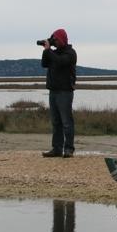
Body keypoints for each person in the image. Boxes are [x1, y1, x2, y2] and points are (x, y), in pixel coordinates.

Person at [41, 28, 77, 158]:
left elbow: (60, 61)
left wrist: (49, 50)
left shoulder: (71, 53)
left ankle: (68, 149)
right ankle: (57, 148)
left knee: (67, 122)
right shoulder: (53, 53)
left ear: (61, 39)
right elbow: (44, 64)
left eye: (56, 39)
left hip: (65, 91)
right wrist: (46, 51)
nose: (54, 42)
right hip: (53, 91)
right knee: (56, 122)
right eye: (53, 40)